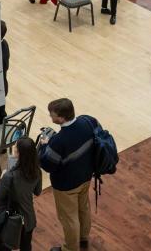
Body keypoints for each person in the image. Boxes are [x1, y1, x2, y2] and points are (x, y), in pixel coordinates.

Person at [38, 99, 98, 251]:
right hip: (86, 176)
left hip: (66, 186)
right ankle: (83, 238)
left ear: (61, 118)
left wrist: (45, 147)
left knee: (69, 218)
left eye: (52, 115)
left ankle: (70, 249)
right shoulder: (88, 121)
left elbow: (47, 165)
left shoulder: (58, 141)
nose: (50, 117)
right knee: (83, 208)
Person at [0, 137, 43, 251]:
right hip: (28, 219)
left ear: (19, 153)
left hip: (10, 218)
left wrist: (1, 180)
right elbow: (37, 191)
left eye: (15, 147)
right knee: (26, 246)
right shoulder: (37, 171)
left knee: (5, 246)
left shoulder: (9, 176)